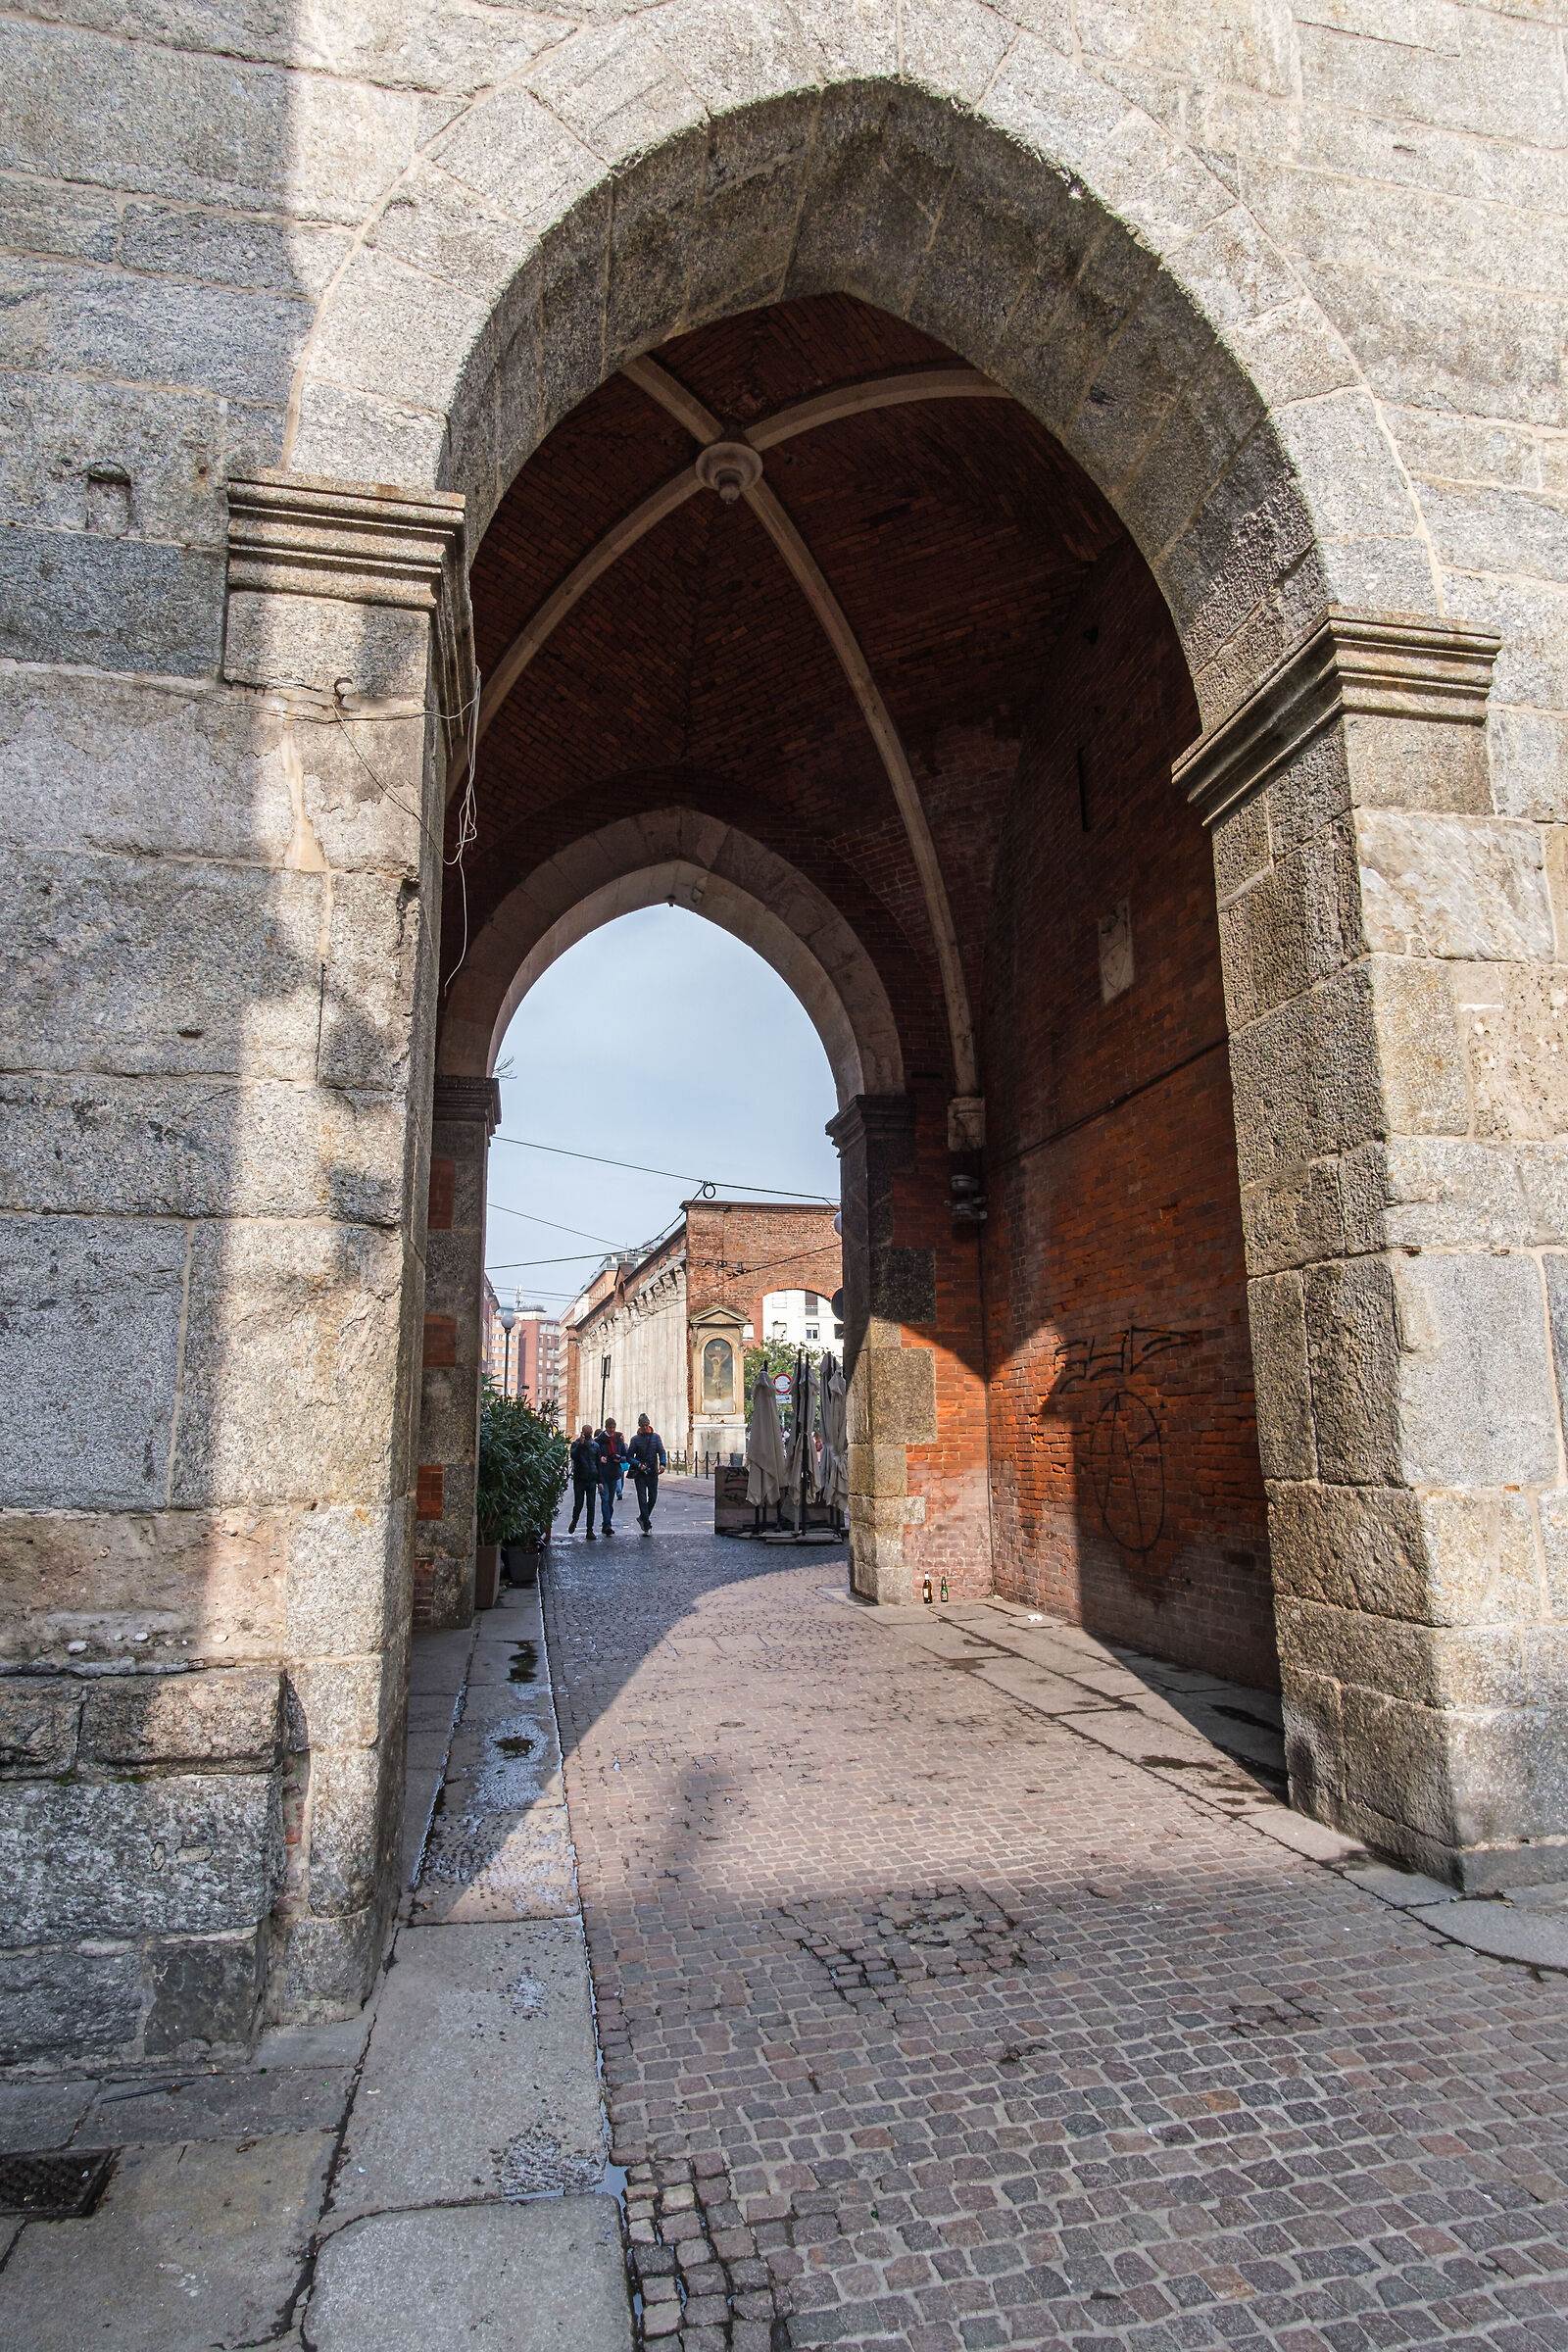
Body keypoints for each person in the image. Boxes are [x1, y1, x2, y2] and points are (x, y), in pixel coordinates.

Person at [628, 1415, 666, 1534]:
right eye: (643, 1425)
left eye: (646, 1425)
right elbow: (629, 1456)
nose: (645, 1427)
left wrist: (662, 1464)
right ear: (639, 1426)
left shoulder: (656, 1437)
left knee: (653, 1497)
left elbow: (661, 1452)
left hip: (652, 1472)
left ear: (649, 1424)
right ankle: (647, 1525)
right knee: (642, 1498)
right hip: (640, 1473)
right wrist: (638, 1464)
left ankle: (643, 1518)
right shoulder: (635, 1439)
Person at [594, 1420, 627, 1536]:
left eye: (613, 1427)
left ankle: (605, 1523)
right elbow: (594, 1456)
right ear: (606, 1428)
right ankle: (608, 1525)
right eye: (610, 1428)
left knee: (610, 1502)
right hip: (603, 1474)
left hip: (614, 1473)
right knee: (605, 1499)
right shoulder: (599, 1441)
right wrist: (600, 1459)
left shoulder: (618, 1439)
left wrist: (619, 1459)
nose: (612, 1430)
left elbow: (625, 1455)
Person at [568, 1425, 599, 1538]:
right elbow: (573, 1456)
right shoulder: (576, 1444)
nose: (588, 1435)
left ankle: (589, 1530)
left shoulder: (595, 1446)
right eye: (586, 1433)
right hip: (580, 1478)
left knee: (591, 1506)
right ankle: (574, 1521)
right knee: (578, 1504)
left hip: (591, 1479)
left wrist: (599, 1480)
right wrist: (580, 1445)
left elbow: (598, 1463)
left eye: (590, 1433)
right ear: (582, 1433)